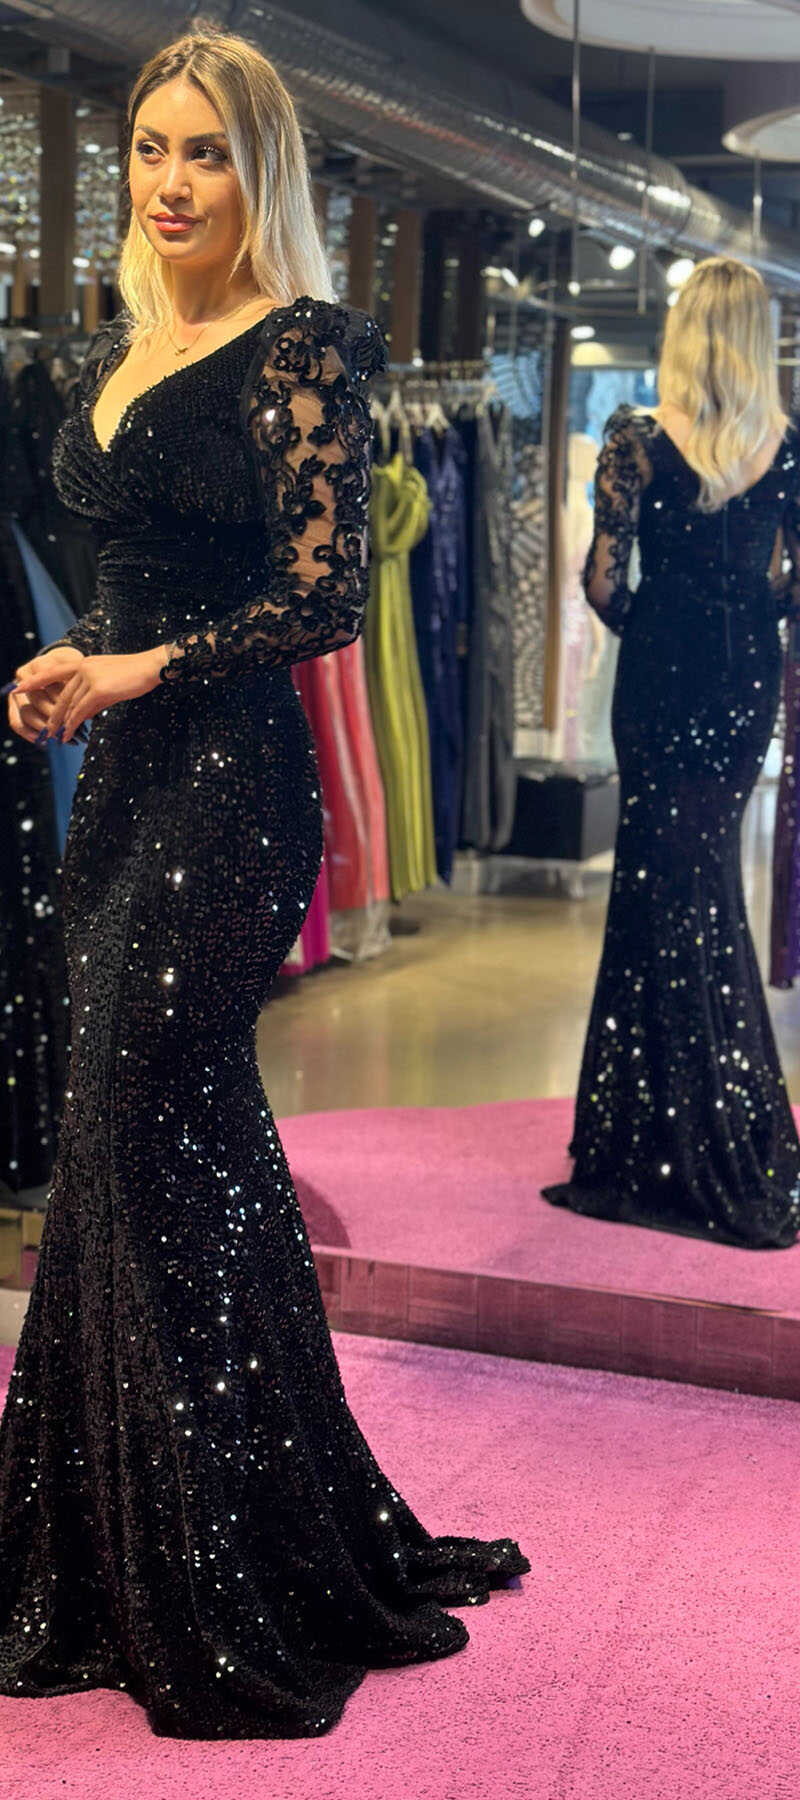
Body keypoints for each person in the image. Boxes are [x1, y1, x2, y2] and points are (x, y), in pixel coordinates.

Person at [0, 22, 529, 1739]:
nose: (170, 182)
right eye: (152, 147)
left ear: (262, 171)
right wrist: (71, 663)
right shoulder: (125, 347)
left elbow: (321, 598)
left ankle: (210, 1559)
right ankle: (132, 1532)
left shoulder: (305, 346)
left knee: (143, 1122)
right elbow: (128, 575)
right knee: (145, 1144)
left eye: (206, 153)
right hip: (119, 790)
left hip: (229, 798)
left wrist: (134, 668)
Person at [542, 255, 800, 1250]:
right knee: (706, 881)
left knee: (655, 889)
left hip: (658, 679)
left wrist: (659, 626)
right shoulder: (785, 448)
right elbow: (790, 587)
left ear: (684, 332)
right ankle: (715, 1125)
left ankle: (652, 1143)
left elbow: (602, 584)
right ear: (757, 339)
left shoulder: (637, 442)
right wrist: (748, 614)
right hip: (742, 685)